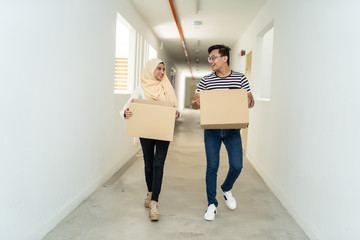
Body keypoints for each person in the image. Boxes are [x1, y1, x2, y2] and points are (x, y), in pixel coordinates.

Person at [191, 44, 255, 221]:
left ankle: (226, 188)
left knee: (237, 165)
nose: (211, 61)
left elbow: (251, 101)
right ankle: (212, 204)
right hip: (211, 131)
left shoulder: (240, 79)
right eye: (209, 58)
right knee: (212, 167)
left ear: (224, 58)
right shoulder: (206, 80)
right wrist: (195, 104)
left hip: (232, 130)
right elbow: (194, 101)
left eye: (213, 57)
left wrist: (249, 102)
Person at [120, 58, 180, 221]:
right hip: (145, 132)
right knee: (148, 165)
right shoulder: (141, 88)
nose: (161, 72)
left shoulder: (167, 87)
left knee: (158, 164)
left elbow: (175, 107)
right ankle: (150, 191)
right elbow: (127, 106)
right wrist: (126, 112)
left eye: (163, 69)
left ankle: (154, 202)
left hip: (162, 132)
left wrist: (177, 113)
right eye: (158, 69)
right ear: (150, 70)